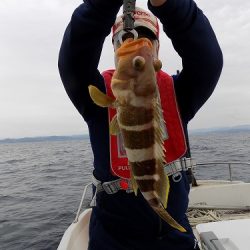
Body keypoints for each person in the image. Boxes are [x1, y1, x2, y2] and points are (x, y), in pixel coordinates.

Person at [58, 0, 223, 249]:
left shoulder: (179, 95)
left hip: (175, 241)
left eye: (147, 37)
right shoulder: (97, 97)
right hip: (112, 242)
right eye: (124, 38)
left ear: (156, 50)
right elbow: (74, 60)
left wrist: (170, 5)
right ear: (114, 50)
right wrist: (100, 6)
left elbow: (207, 60)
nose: (136, 43)